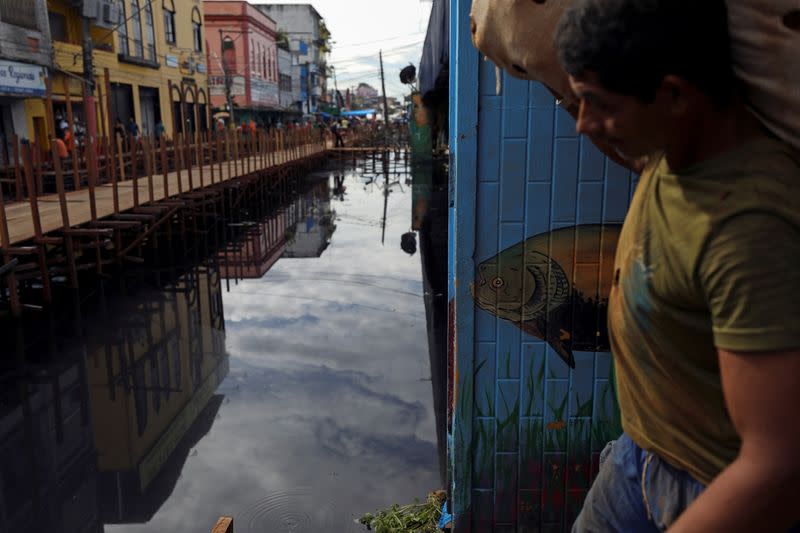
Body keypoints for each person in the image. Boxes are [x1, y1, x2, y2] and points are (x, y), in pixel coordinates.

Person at [554, 1, 800, 532]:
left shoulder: (748, 230)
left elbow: (776, 465)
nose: (583, 126)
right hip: (637, 455)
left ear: (674, 95)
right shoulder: (669, 148)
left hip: (707, 490)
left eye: (596, 105)